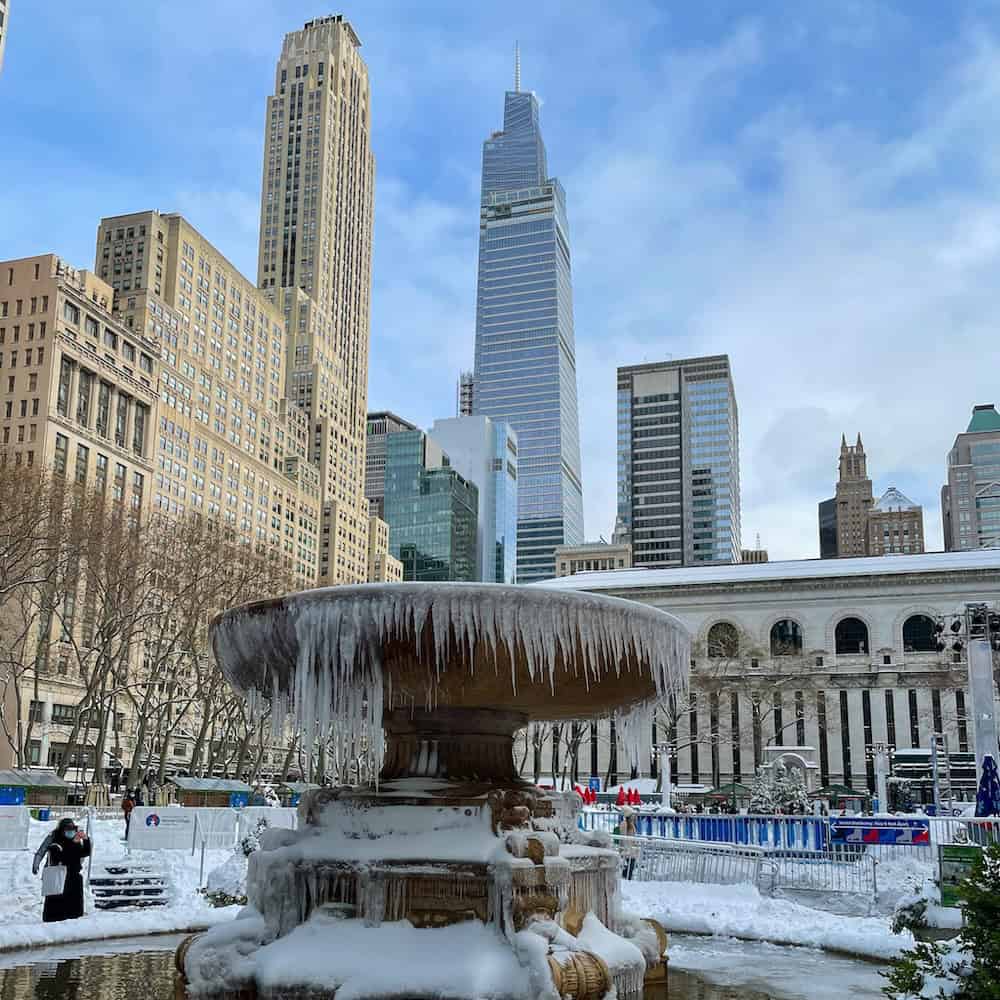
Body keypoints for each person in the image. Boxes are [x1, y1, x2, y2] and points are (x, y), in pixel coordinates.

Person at [33, 818, 91, 922]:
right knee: (57, 907)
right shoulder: (56, 842)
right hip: (59, 877)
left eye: (72, 829)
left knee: (74, 909)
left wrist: (86, 840)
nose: (71, 832)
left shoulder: (75, 840)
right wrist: (36, 863)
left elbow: (85, 852)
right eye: (68, 829)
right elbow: (61, 857)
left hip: (74, 877)